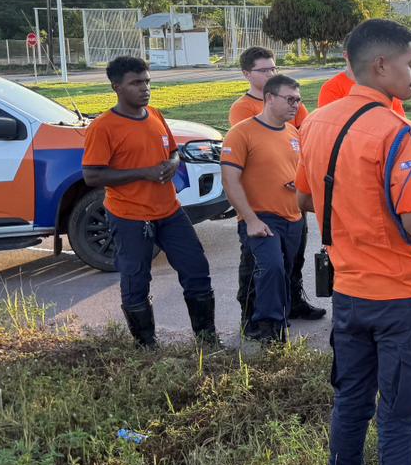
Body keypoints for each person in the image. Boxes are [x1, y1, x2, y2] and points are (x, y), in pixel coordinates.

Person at [295, 19, 411, 465]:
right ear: (381, 65)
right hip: (400, 295)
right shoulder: (397, 131)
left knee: (351, 400)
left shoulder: (315, 122)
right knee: (400, 413)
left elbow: (304, 198)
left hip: (347, 292)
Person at [81, 56, 215, 347]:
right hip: (130, 216)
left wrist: (173, 163)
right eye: (136, 83)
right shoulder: (103, 127)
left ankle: (207, 339)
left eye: (147, 82)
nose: (145, 88)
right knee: (136, 280)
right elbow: (92, 176)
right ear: (117, 87)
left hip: (170, 211)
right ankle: (146, 344)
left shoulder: (154, 114)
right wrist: (145, 173)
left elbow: (173, 151)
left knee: (196, 269)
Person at [228, 47, 324, 327]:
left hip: (293, 207)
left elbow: (303, 140)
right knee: (263, 267)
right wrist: (250, 217)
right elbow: (242, 166)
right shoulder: (243, 116)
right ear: (247, 74)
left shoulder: (290, 123)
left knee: (289, 264)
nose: (272, 72)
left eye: (274, 67)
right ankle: (256, 321)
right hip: (261, 211)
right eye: (264, 69)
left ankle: (289, 306)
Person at [221, 75, 308, 343]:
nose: (296, 105)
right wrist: (250, 220)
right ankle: (268, 329)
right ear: (269, 98)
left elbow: (297, 170)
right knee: (269, 268)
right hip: (261, 218)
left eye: (298, 100)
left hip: (293, 216)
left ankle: (274, 321)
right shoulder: (242, 132)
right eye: (289, 99)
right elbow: (229, 179)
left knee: (282, 273)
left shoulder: (292, 132)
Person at [318, 61, 406, 116]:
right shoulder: (331, 88)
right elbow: (329, 125)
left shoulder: (384, 85)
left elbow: (400, 123)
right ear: (346, 55)